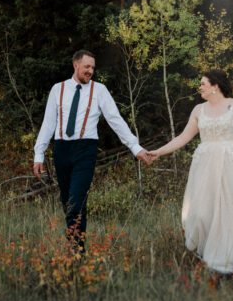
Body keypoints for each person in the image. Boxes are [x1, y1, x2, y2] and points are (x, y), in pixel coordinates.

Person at [149, 69, 233, 275]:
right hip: (205, 167)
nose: (201, 87)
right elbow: (182, 138)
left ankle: (230, 256)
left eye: (203, 84)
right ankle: (209, 249)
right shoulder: (198, 110)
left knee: (231, 209)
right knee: (202, 211)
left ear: (216, 86)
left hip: (232, 165)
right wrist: (158, 153)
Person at [33, 49, 152, 253]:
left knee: (75, 200)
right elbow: (48, 124)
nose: (90, 71)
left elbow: (116, 120)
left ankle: (76, 252)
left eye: (93, 68)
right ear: (76, 65)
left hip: (85, 150)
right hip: (61, 150)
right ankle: (78, 248)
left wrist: (135, 147)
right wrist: (39, 154)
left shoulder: (100, 90)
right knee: (68, 202)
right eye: (87, 67)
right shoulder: (58, 89)